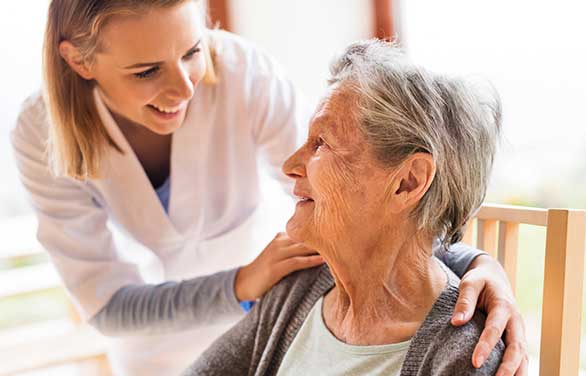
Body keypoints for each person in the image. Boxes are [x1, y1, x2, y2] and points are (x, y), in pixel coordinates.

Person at [11, 1, 526, 375]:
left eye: (193, 50)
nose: (185, 87)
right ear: (80, 62)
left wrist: (475, 263)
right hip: (173, 344)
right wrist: (242, 286)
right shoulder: (39, 134)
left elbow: (369, 194)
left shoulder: (241, 73)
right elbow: (108, 304)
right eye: (146, 71)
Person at [184, 40, 508, 376]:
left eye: (321, 143)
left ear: (408, 182)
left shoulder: (465, 357)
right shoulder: (298, 288)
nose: (291, 165)